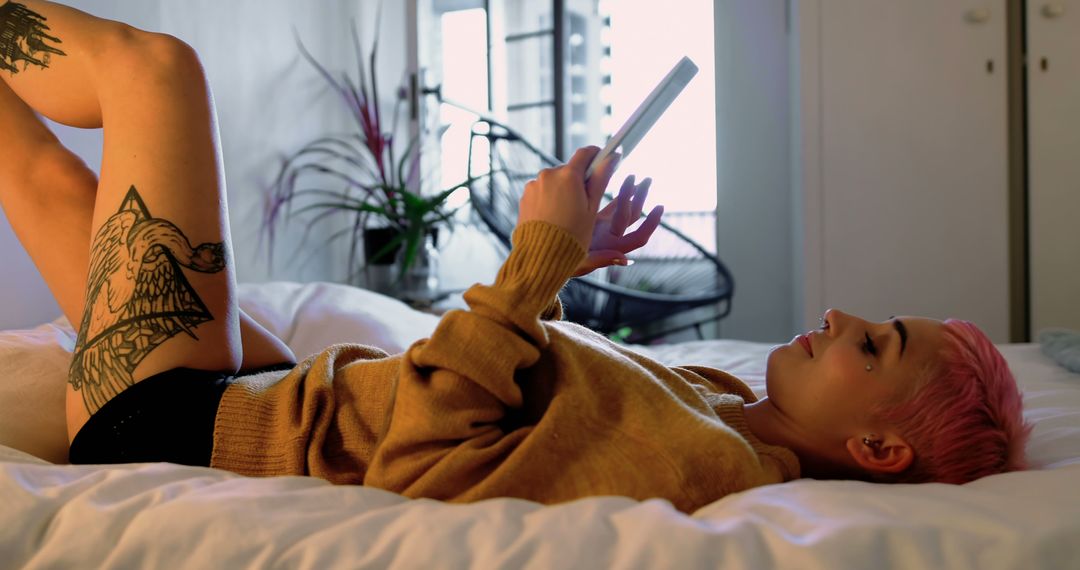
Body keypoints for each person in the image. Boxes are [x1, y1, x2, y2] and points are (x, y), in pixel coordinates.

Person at [0, 1, 1030, 514]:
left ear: (884, 451)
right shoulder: (723, 403)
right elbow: (531, 403)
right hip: (274, 391)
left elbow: (424, 460)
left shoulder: (707, 462)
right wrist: (571, 272)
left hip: (184, 428)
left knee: (153, 70)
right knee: (56, 188)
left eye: (878, 345)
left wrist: (536, 262)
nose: (844, 316)